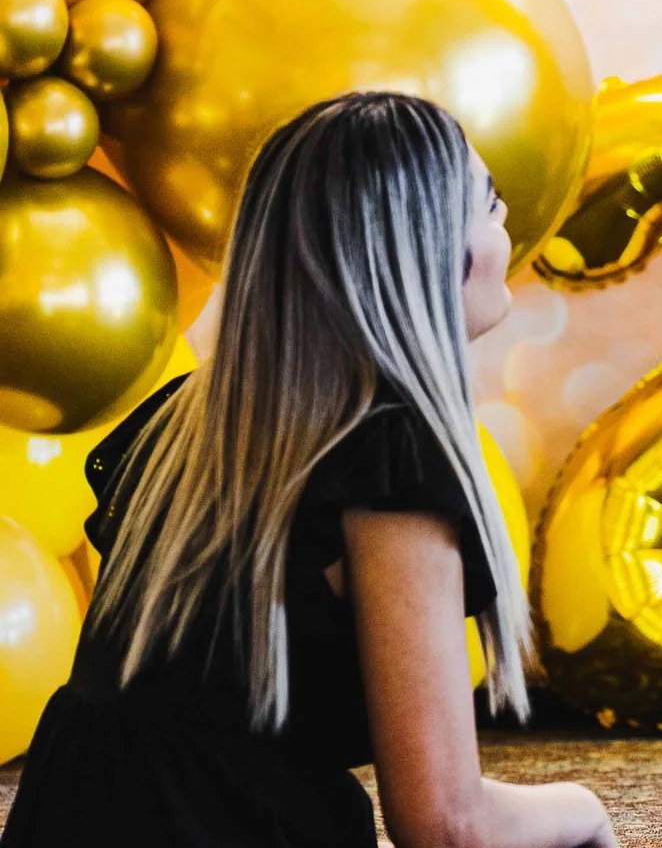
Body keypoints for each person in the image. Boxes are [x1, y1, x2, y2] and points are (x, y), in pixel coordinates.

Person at [0, 93, 617, 848]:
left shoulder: (186, 422)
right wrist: (584, 807)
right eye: (488, 207)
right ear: (422, 248)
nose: (506, 231)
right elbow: (450, 825)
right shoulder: (387, 456)